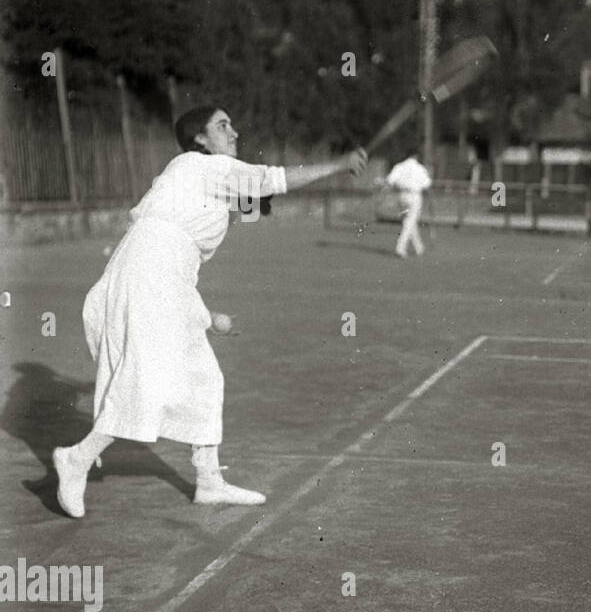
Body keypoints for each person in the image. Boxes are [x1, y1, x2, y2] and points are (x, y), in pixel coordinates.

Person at [52, 105, 367, 518]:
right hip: (150, 268)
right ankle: (76, 457)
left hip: (161, 272)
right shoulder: (197, 163)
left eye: (233, 123)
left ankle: (209, 482)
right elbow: (270, 179)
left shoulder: (205, 180)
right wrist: (340, 164)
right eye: (222, 126)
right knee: (143, 378)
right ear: (199, 139)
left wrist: (201, 313)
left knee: (206, 378)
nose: (234, 131)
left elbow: (235, 214)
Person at [386, 151, 433, 258]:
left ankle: (419, 247)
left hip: (402, 195)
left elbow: (390, 181)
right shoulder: (420, 168)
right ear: (416, 156)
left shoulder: (399, 166)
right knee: (409, 222)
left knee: (409, 222)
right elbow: (427, 185)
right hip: (415, 196)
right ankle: (400, 248)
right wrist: (431, 199)